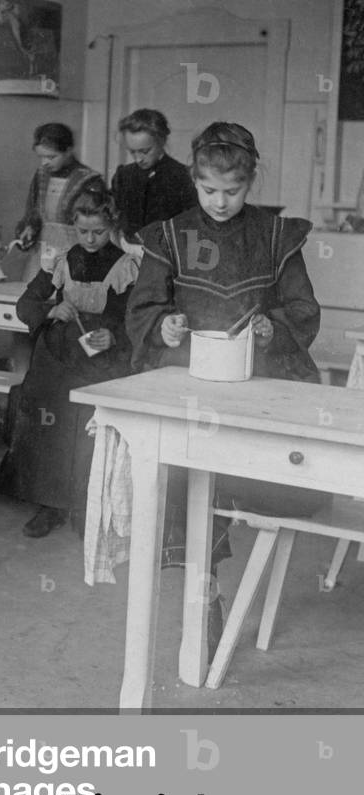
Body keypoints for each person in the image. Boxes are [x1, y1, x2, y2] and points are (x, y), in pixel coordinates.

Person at [126, 121, 329, 642]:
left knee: (249, 478)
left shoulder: (275, 235)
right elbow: (143, 308)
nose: (220, 202)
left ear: (250, 182)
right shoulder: (169, 235)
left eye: (232, 191)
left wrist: (272, 328)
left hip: (259, 382)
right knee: (189, 473)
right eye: (209, 190)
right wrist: (163, 325)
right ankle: (206, 589)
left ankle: (220, 559)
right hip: (190, 378)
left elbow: (303, 309)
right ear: (194, 180)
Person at [0, 181, 138, 536]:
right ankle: (51, 506)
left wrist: (114, 336)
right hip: (57, 359)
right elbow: (25, 305)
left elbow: (136, 319)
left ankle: (88, 508)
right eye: (82, 231)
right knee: (52, 431)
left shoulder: (126, 266)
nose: (89, 239)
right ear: (74, 224)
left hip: (100, 363)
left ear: (112, 226)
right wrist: (50, 309)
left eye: (98, 232)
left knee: (90, 433)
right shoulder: (61, 261)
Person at [14, 123, 102, 281]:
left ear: (68, 151)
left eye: (51, 157)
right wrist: (29, 227)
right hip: (41, 255)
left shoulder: (89, 180)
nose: (44, 163)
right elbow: (32, 212)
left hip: (75, 256)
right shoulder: (41, 176)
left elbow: (96, 226)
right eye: (41, 157)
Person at [110, 108, 198, 242]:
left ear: (162, 140)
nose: (138, 159)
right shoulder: (123, 176)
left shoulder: (183, 177)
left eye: (145, 151)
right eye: (132, 152)